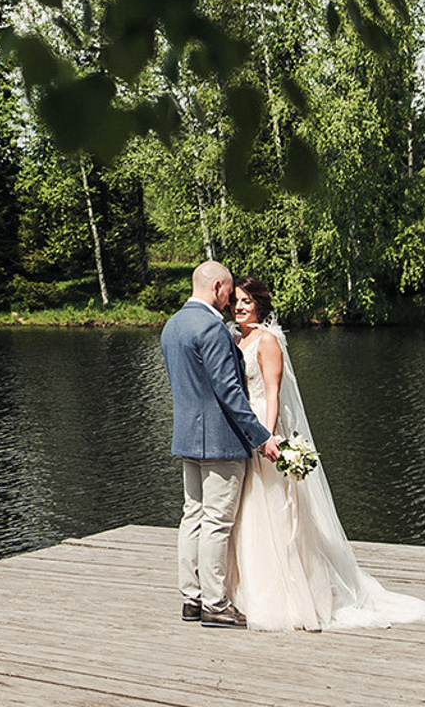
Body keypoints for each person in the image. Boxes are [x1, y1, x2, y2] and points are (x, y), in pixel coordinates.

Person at [224, 276, 425, 631]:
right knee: (247, 507)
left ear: (260, 303)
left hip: (262, 428)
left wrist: (268, 436)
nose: (240, 307)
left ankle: (293, 593)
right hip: (242, 428)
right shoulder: (235, 337)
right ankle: (244, 589)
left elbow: (272, 391)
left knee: (270, 505)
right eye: (236, 301)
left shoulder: (267, 340)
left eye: (247, 301)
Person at [159, 260, 278, 627]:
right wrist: (261, 437)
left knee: (192, 517)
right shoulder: (212, 328)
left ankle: (191, 599)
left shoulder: (172, 325)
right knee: (217, 522)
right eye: (228, 292)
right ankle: (215, 603)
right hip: (221, 440)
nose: (230, 301)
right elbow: (229, 392)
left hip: (187, 437)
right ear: (217, 287)